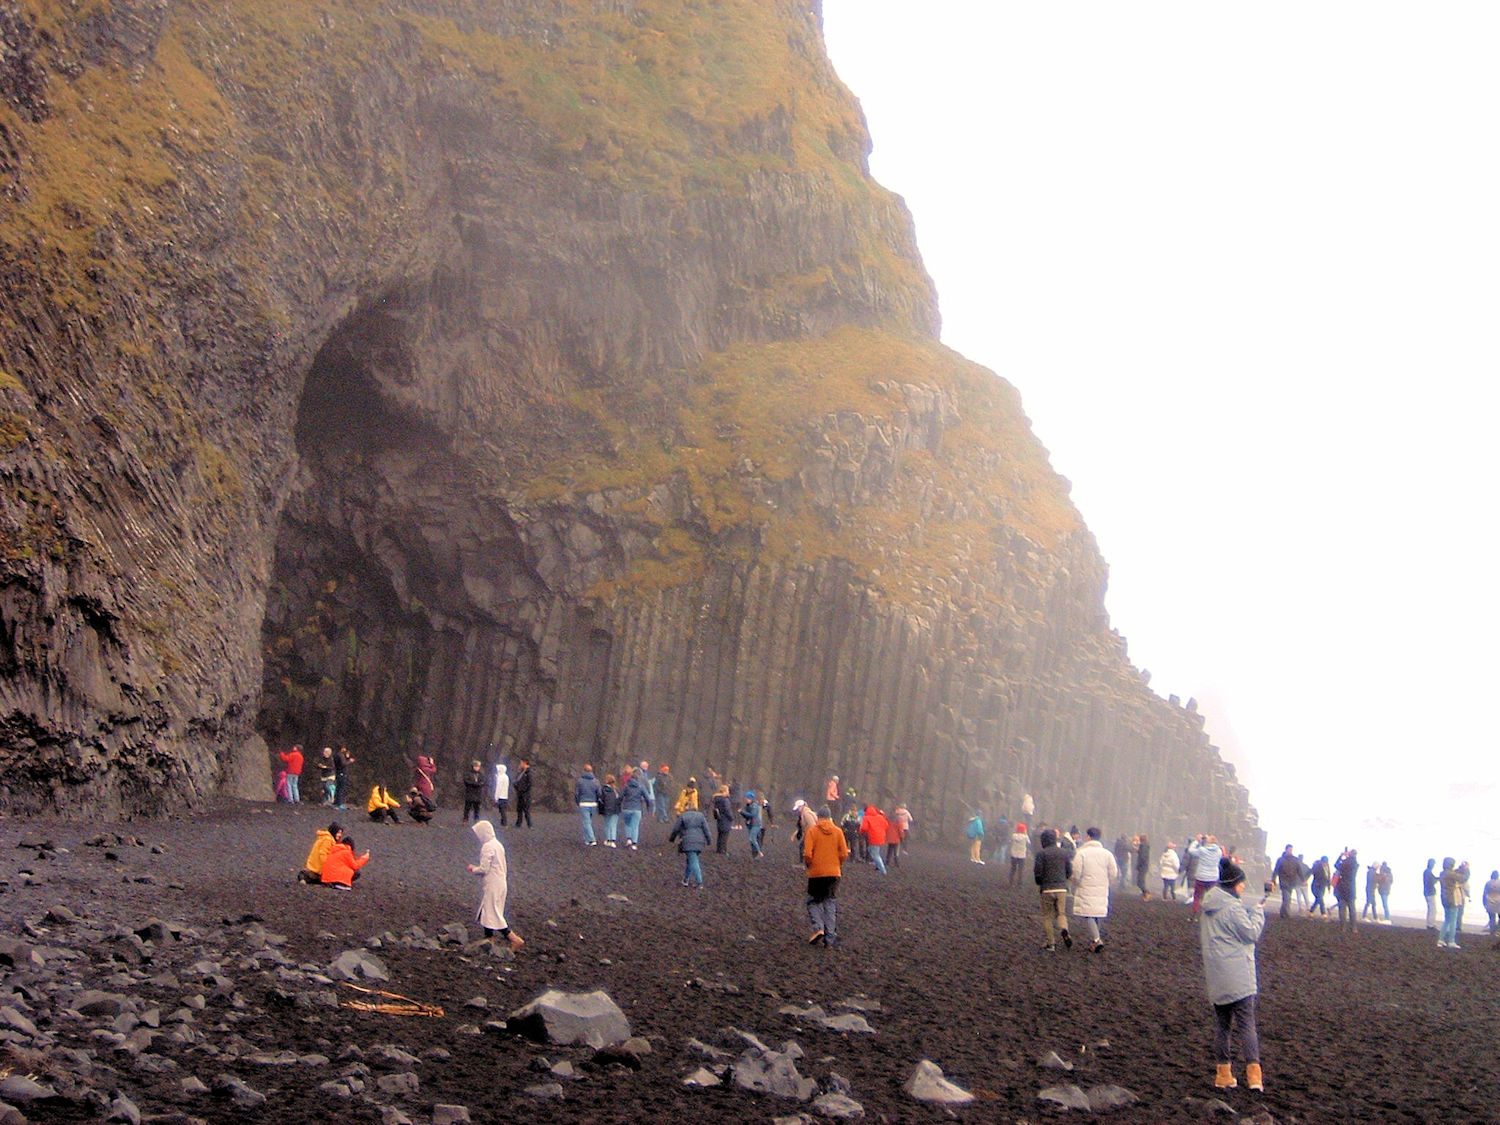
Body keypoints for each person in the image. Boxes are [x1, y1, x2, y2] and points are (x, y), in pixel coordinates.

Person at [1200, 858, 1268, 1091]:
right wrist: (1258, 913)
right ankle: (1254, 1078)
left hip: (1217, 974)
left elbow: (1229, 926)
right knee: (1247, 1025)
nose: (1244, 887)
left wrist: (1248, 909)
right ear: (1233, 884)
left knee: (1222, 1026)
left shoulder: (1210, 905)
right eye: (1241, 884)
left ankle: (1223, 1075)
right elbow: (1250, 933)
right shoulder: (1232, 908)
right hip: (1239, 975)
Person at [467, 820, 524, 949]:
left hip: (493, 884)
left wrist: (473, 869)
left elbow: (484, 868)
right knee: (488, 912)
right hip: (500, 882)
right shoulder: (498, 844)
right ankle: (489, 941)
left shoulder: (487, 846)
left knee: (492, 913)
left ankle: (514, 939)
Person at [803, 806, 850, 947]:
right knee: (830, 903)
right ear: (829, 817)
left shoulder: (812, 831)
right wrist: (837, 864)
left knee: (813, 902)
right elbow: (844, 853)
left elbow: (807, 854)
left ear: (818, 817)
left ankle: (818, 928)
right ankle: (830, 939)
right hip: (834, 873)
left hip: (816, 873)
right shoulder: (838, 831)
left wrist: (809, 865)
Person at [1071, 826, 1119, 952]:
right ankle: (1095, 939)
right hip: (1101, 887)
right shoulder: (1107, 854)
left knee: (1089, 914)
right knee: (1097, 913)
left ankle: (1097, 940)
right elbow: (1113, 872)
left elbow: (1076, 872)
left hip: (1086, 886)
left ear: (1088, 836)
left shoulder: (1081, 853)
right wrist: (1107, 882)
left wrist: (1075, 882)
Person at [1034, 827, 1073, 952]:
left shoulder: (1041, 854)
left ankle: (1051, 943)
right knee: (1061, 913)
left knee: (1047, 916)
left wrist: (1040, 883)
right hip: (1062, 888)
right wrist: (1064, 880)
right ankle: (1064, 929)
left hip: (1047, 888)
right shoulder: (1064, 853)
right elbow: (1069, 871)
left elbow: (1038, 872)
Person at [669, 801, 711, 888]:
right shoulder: (701, 816)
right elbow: (706, 829)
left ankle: (699, 882)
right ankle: (685, 880)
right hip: (699, 841)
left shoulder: (683, 816)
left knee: (693, 861)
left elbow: (676, 829)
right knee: (690, 860)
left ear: (686, 807)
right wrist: (709, 840)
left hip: (688, 841)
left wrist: (672, 839)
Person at [1187, 835, 1223, 915]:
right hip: (1213, 877)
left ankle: (1194, 913)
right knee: (1211, 897)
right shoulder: (1219, 852)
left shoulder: (1202, 850)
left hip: (1201, 876)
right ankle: (1209, 913)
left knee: (1197, 896)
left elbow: (1191, 850)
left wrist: (1197, 841)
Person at [1437, 856, 1465, 948]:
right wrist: (1466, 869)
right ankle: (1451, 941)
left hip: (1444, 898)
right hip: (1452, 898)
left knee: (1447, 919)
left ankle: (1441, 940)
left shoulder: (1443, 873)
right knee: (1453, 920)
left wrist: (1461, 869)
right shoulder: (1451, 874)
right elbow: (1462, 878)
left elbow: (1455, 875)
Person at [620, 767, 650, 850]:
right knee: (635, 826)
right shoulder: (641, 787)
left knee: (627, 824)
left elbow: (621, 796)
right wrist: (648, 807)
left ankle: (628, 839)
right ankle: (634, 843)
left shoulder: (626, 786)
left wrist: (618, 804)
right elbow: (647, 798)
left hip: (626, 808)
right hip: (637, 808)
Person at [574, 764, 602, 845]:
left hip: (583, 803)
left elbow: (577, 793)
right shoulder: (596, 781)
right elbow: (599, 793)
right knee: (589, 822)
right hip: (593, 804)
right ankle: (587, 839)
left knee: (586, 822)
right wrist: (596, 801)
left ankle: (592, 839)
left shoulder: (580, 781)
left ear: (584, 770)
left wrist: (578, 802)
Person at [1271, 844, 1301, 919]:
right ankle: (1287, 914)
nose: (1290, 851)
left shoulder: (1295, 860)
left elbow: (1299, 870)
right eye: (1289, 850)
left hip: (1292, 882)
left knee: (1287, 898)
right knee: (1287, 898)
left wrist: (1303, 880)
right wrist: (1273, 880)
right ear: (1286, 850)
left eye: (1291, 850)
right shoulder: (1281, 860)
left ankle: (1282, 912)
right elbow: (1276, 870)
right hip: (1283, 881)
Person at [859, 804, 889, 874]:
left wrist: (860, 831)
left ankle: (882, 870)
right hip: (881, 836)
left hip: (873, 837)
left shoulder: (866, 818)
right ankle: (878, 867)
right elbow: (886, 825)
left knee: (875, 854)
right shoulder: (880, 817)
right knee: (871, 850)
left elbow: (864, 828)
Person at [1334, 848, 1359, 931]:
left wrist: (1341, 856)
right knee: (1352, 908)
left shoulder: (1345, 862)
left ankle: (1343, 927)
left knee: (1342, 908)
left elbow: (1336, 865)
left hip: (1342, 887)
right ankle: (1354, 927)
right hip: (1351, 887)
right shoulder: (1356, 864)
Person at [598, 773, 622, 847]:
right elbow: (619, 799)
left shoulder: (603, 789)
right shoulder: (616, 790)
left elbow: (601, 800)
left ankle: (608, 839)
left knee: (607, 825)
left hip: (607, 809)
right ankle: (613, 840)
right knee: (613, 825)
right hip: (615, 809)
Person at [711, 785, 734, 855]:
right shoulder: (725, 800)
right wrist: (732, 817)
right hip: (726, 819)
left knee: (720, 834)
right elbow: (727, 810)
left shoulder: (716, 799)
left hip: (719, 819)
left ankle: (719, 849)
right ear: (724, 791)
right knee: (725, 836)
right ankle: (723, 850)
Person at [741, 791, 765, 858]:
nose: (746, 799)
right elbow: (747, 815)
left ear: (751, 798)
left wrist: (742, 812)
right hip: (750, 824)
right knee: (752, 840)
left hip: (755, 824)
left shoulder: (754, 806)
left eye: (747, 798)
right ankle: (755, 854)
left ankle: (759, 852)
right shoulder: (748, 805)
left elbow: (752, 815)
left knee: (752, 839)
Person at [461, 760, 485, 825]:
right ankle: (465, 819)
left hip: (478, 794)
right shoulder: (468, 773)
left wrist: (476, 784)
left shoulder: (481, 774)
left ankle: (476, 819)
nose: (477, 768)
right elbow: (466, 781)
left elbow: (483, 782)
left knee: (477, 808)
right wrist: (475, 784)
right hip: (470, 793)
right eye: (476, 766)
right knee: (467, 808)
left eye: (478, 766)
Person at [512, 759, 533, 828]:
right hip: (520, 794)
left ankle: (529, 824)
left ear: (525, 763)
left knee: (526, 810)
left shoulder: (528, 773)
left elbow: (529, 784)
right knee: (519, 810)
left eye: (521, 763)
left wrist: (523, 790)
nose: (520, 764)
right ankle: (518, 823)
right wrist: (516, 787)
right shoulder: (521, 772)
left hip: (525, 795)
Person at [1422, 858, 1440, 932]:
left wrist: (1437, 878)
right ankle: (1431, 924)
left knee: (1430, 909)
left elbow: (1432, 880)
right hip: (1430, 892)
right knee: (1433, 909)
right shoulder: (1428, 872)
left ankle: (1429, 923)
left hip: (1427, 892)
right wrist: (1438, 879)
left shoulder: (1427, 872)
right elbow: (1432, 881)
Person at [1482, 870, 1500, 937]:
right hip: (1498, 902)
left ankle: (1492, 931)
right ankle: (1498, 930)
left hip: (1489, 902)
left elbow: (1484, 894)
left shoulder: (1488, 883)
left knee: (1492, 918)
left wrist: (1484, 903)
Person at [493, 762, 511, 826]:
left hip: (500, 796)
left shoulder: (500, 778)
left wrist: (496, 797)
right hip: (505, 796)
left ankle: (504, 822)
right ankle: (503, 822)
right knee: (503, 810)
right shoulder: (506, 777)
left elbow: (498, 788)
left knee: (502, 810)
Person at [1136, 833, 1152, 899]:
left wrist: (1138, 865)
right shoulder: (1145, 846)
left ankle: (1147, 893)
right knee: (1141, 881)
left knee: (1139, 881)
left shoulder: (1143, 846)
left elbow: (1142, 857)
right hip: (1144, 866)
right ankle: (1144, 893)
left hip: (1142, 866)